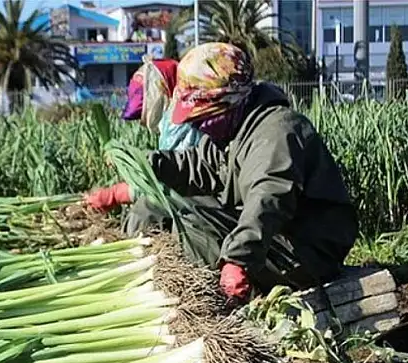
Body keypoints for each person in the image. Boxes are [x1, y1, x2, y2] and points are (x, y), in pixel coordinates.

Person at [86, 42, 358, 300]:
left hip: (305, 250)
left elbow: (268, 199)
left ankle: (195, 303)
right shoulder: (234, 128)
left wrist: (237, 260)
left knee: (189, 230)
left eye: (203, 118)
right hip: (277, 236)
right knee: (165, 206)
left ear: (228, 105)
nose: (199, 127)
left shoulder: (275, 133)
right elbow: (199, 166)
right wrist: (145, 164)